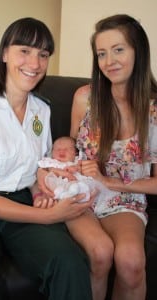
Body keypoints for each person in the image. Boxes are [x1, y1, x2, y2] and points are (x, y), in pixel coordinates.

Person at [0, 18, 93, 300]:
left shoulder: (42, 110)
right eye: (25, 50)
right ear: (5, 53)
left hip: (21, 199)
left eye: (43, 54)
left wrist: (40, 191)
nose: (35, 63)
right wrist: (48, 216)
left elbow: (35, 169)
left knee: (68, 262)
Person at [69, 14, 157, 300]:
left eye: (119, 49)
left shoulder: (154, 110)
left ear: (138, 51)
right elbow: (69, 151)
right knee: (100, 255)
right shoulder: (85, 98)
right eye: (101, 54)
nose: (109, 62)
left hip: (125, 199)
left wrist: (113, 183)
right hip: (81, 194)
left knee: (131, 262)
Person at [37, 136, 118, 203]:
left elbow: (86, 169)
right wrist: (53, 170)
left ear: (75, 153)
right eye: (57, 149)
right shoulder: (50, 162)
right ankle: (63, 194)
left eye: (67, 149)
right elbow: (43, 169)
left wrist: (77, 168)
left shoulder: (78, 161)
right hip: (59, 185)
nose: (61, 151)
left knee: (88, 183)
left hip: (78, 183)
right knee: (51, 181)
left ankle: (82, 193)